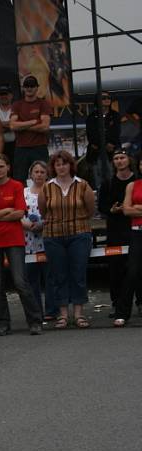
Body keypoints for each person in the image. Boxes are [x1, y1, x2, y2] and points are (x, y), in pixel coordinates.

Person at [0, 154, 43, 335]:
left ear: (8, 167)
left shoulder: (16, 186)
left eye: (1, 166)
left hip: (13, 239)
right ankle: (2, 323)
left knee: (20, 281)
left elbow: (19, 213)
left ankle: (35, 320)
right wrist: (7, 210)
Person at [38, 150, 95, 329]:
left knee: (78, 274)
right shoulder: (47, 187)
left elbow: (90, 209)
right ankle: (62, 314)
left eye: (64, 163)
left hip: (79, 233)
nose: (61, 167)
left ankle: (78, 314)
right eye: (57, 164)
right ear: (53, 167)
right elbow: (43, 211)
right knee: (58, 275)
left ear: (71, 165)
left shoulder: (83, 185)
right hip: (53, 236)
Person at [98, 149, 137, 316]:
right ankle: (118, 304)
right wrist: (112, 209)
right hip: (115, 229)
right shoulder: (108, 182)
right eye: (116, 158)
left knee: (136, 268)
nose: (119, 161)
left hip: (134, 228)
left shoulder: (137, 180)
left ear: (129, 160)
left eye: (122, 157)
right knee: (116, 269)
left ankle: (140, 302)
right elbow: (101, 206)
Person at [23, 161, 57, 321]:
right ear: (31, 174)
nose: (39, 175)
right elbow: (18, 213)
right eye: (36, 172)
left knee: (50, 277)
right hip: (28, 242)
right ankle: (35, 311)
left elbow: (55, 211)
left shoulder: (52, 191)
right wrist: (27, 225)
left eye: (42, 172)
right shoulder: (23, 193)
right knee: (31, 280)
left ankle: (52, 310)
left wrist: (42, 224)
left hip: (48, 238)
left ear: (47, 174)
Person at [10, 75, 52, 183]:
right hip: (21, 148)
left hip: (39, 147)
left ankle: (44, 199)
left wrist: (22, 126)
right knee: (19, 179)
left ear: (37, 88)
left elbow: (45, 127)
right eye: (27, 86)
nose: (29, 88)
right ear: (23, 88)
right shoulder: (17, 105)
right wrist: (33, 122)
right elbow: (13, 126)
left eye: (32, 86)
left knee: (43, 177)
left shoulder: (43, 104)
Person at [114, 173, 142, 326]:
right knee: (132, 271)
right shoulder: (132, 185)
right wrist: (132, 208)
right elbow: (126, 210)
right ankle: (122, 313)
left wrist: (138, 207)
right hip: (137, 231)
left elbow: (133, 208)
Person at [86, 91, 122, 165]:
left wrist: (111, 144)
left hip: (113, 150)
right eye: (103, 98)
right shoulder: (91, 117)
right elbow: (91, 134)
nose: (107, 99)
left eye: (108, 98)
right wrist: (105, 144)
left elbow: (116, 132)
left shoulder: (115, 115)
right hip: (96, 153)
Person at [0, 84, 16, 170]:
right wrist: (10, 125)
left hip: (15, 147)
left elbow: (15, 125)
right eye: (1, 94)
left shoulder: (16, 109)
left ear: (11, 95)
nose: (4, 97)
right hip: (0, 147)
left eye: (6, 94)